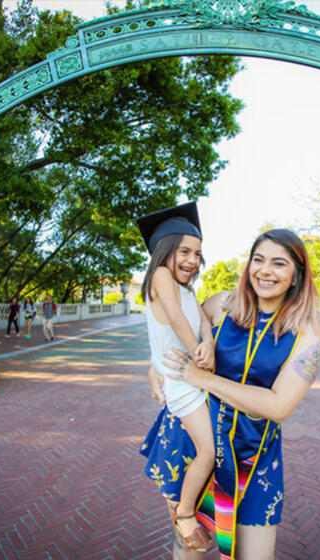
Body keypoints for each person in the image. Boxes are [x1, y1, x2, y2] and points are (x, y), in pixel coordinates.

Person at [141, 228, 320, 560]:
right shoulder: (224, 304)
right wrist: (154, 366)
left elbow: (279, 406)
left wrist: (203, 379)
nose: (265, 271)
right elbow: (170, 325)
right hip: (195, 440)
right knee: (190, 548)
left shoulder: (308, 331)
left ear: (297, 275)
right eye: (258, 260)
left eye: (279, 264)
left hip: (253, 454)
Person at [135, 202, 217, 552]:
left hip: (190, 376)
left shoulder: (187, 289)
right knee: (208, 451)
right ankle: (185, 514)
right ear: (163, 251)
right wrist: (201, 365)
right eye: (184, 251)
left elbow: (201, 320)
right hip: (183, 383)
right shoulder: (160, 277)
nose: (192, 260)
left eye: (197, 254)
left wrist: (209, 341)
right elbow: (179, 321)